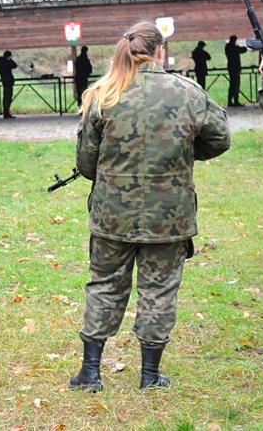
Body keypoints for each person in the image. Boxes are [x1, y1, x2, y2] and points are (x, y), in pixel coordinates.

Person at [70, 21, 230, 393]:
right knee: (159, 291)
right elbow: (220, 139)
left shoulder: (102, 94)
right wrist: (184, 154)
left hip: (112, 215)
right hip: (169, 217)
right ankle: (149, 375)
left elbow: (85, 163)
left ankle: (91, 373)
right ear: (161, 51)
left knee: (105, 286)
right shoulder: (187, 92)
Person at [225, 35, 248, 106]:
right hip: (235, 68)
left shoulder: (227, 47)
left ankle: (231, 101)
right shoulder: (234, 47)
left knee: (233, 85)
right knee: (235, 85)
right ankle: (235, 101)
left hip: (231, 68)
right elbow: (244, 49)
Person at [0, 50, 17, 118]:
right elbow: (14, 65)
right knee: (8, 97)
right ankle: (6, 112)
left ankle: (6, 112)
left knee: (6, 97)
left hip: (5, 81)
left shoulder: (0, 61)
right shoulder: (6, 62)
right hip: (8, 81)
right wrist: (10, 59)